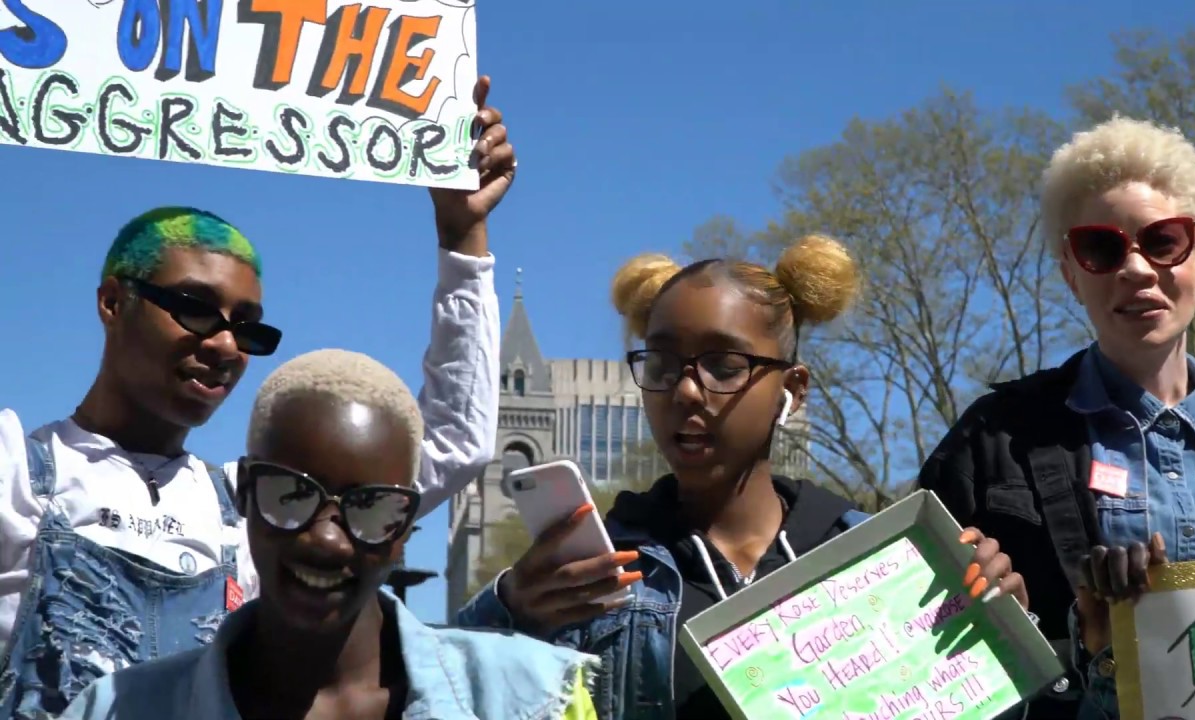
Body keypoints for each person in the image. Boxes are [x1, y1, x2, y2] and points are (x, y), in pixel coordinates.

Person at [0, 77, 515, 719]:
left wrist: (462, 239)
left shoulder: (257, 508)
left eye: (249, 328)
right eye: (194, 309)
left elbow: (452, 443)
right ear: (112, 302)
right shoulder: (17, 474)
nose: (224, 345)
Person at [459, 235, 1034, 719]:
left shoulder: (881, 559)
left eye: (723, 366)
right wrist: (509, 613)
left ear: (793, 390)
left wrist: (999, 629)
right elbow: (449, 691)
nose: (686, 390)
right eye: (660, 365)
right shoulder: (600, 571)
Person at [917, 117, 1195, 720]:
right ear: (1070, 273)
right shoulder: (993, 441)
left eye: (1163, 241)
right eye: (1102, 248)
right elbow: (924, 656)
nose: (1136, 269)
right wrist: (1005, 613)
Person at [57, 349, 599, 720]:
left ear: (405, 527)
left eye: (370, 507)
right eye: (291, 494)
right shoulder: (114, 709)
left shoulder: (533, 699)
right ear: (244, 492)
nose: (328, 540)